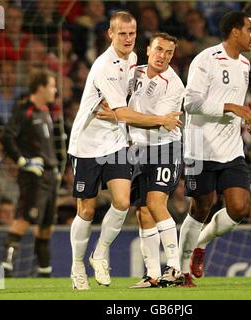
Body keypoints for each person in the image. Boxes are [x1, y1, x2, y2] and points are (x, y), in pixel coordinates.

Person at [68, 12, 181, 290]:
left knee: (121, 202)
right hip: (87, 144)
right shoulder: (104, 65)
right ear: (110, 34)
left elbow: (122, 110)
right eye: (122, 34)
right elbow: (120, 112)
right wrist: (161, 120)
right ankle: (77, 266)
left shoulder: (132, 60)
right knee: (87, 209)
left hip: (116, 143)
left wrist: (123, 117)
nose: (128, 39)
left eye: (132, 33)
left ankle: (100, 254)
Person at [179, 11, 251, 286]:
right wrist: (230, 107)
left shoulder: (246, 64)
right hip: (200, 146)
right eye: (249, 29)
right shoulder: (206, 59)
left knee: (238, 208)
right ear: (235, 32)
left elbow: (237, 105)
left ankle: (199, 245)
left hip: (231, 148)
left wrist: (247, 119)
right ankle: (181, 270)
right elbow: (190, 103)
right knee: (201, 207)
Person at [123, 32, 185, 288]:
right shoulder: (132, 72)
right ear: (148, 49)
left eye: (169, 52)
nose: (163, 56)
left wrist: (119, 115)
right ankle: (152, 275)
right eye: (159, 49)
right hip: (138, 149)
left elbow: (157, 123)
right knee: (143, 211)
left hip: (165, 147)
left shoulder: (174, 84)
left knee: (156, 203)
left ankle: (175, 268)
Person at [0, 69, 63, 278]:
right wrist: (21, 161)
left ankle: (44, 272)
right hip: (33, 175)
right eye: (52, 85)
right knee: (25, 218)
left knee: (46, 226)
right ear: (41, 87)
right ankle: (6, 266)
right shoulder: (23, 111)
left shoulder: (45, 111)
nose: (55, 89)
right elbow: (7, 137)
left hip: (50, 176)